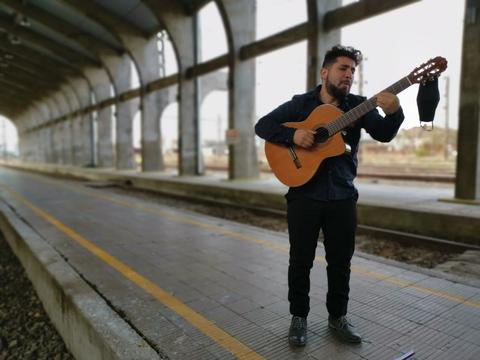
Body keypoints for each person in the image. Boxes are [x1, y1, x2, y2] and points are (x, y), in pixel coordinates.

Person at [254, 45, 404, 346]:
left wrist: (395, 111)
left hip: (343, 197)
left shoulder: (359, 106)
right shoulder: (300, 105)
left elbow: (384, 133)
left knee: (340, 263)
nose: (348, 74)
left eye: (352, 70)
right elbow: (263, 125)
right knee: (300, 261)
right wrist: (293, 135)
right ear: (325, 72)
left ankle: (338, 318)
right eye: (342, 68)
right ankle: (298, 319)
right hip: (303, 195)